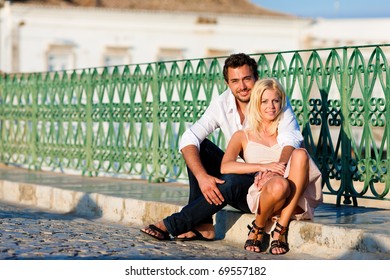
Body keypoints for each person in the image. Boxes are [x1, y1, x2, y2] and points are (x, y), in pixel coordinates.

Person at [141, 53, 303, 242]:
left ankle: (173, 224)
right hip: (237, 172)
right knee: (198, 147)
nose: (241, 86)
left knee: (231, 181)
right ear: (227, 84)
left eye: (247, 79)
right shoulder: (222, 103)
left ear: (256, 78)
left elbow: (290, 138)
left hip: (266, 183)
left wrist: (276, 168)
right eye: (235, 81)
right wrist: (203, 178)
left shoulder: (272, 102)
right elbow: (189, 137)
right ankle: (203, 225)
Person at [221, 78, 322, 254]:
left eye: (276, 101)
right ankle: (259, 225)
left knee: (300, 153)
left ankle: (280, 228)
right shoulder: (242, 135)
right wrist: (263, 167)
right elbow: (225, 167)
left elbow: (302, 166)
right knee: (278, 184)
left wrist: (279, 170)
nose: (271, 106)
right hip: (266, 194)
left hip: (294, 196)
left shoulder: (287, 131)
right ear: (256, 103)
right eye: (265, 101)